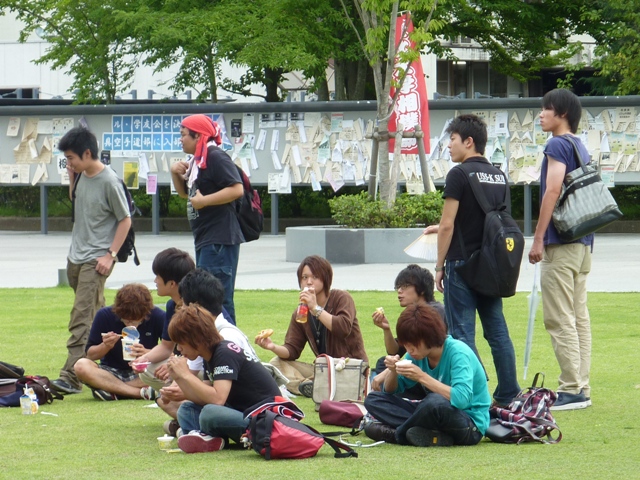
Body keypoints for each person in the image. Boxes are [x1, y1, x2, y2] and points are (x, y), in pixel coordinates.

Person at [433, 113, 520, 407]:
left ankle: (474, 395)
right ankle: (508, 393)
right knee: (497, 331)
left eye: (452, 139)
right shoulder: (498, 175)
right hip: (490, 265)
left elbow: (448, 225)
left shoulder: (458, 174)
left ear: (468, 141)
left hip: (461, 265)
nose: (448, 146)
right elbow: (487, 220)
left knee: (462, 335)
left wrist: (438, 266)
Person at [52, 127, 132, 395]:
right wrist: (72, 178)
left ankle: (71, 376)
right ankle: (110, 361)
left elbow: (125, 219)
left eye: (71, 158)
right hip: (76, 256)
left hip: (96, 260)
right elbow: (77, 202)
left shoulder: (109, 181)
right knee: (98, 315)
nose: (68, 163)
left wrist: (110, 255)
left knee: (81, 316)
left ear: (87, 153)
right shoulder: (81, 175)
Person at [528, 88, 594, 411]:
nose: (541, 114)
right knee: (579, 317)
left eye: (547, 109)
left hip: (561, 243)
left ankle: (571, 388)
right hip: (583, 243)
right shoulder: (580, 145)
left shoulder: (556, 145)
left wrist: (539, 237)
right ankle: (581, 385)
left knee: (559, 317)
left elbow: (552, 190)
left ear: (563, 113)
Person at [363, 304, 490, 447]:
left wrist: (421, 377)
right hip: (434, 416)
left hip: (469, 424)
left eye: (413, 344)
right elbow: (390, 391)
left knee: (435, 402)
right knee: (373, 399)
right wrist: (393, 371)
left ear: (429, 337)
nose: (409, 350)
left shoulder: (458, 353)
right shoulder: (417, 355)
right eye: (406, 345)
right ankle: (429, 434)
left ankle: (397, 435)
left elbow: (462, 400)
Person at [167, 304, 281, 454]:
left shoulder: (224, 352)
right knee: (187, 409)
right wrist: (179, 377)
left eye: (181, 343)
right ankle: (208, 439)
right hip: (242, 413)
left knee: (210, 412)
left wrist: (186, 374)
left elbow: (217, 399)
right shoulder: (209, 355)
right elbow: (203, 396)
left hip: (265, 420)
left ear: (197, 339)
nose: (178, 348)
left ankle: (203, 435)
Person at [254, 255, 368, 397]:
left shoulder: (341, 298)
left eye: (314, 277)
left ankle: (314, 385)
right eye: (304, 277)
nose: (308, 282)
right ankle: (309, 386)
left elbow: (343, 328)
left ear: (325, 278)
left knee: (325, 374)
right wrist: (272, 347)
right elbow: (292, 350)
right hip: (324, 368)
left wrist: (315, 308)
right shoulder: (301, 312)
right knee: (276, 363)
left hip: (350, 367)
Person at [170, 114, 244, 324]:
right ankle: (213, 340)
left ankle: (227, 341)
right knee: (206, 298)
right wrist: (174, 173)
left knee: (216, 299)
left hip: (218, 241)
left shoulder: (214, 156)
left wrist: (204, 202)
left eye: (184, 135)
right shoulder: (197, 160)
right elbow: (185, 194)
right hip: (207, 239)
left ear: (198, 136)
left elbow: (236, 189)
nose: (180, 139)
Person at [73, 284, 164, 401]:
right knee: (81, 366)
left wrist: (146, 353)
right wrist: (105, 346)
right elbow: (90, 355)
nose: (130, 324)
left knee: (169, 367)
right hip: (110, 372)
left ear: (146, 313)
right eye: (126, 320)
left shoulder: (158, 316)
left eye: (134, 320)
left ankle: (113, 390)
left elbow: (172, 352)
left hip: (143, 370)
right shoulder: (104, 315)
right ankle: (139, 393)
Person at [371, 265, 445, 398]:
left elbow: (420, 352)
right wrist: (386, 329)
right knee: (383, 362)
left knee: (385, 375)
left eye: (405, 286)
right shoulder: (412, 313)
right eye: (398, 287)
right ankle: (389, 397)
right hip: (418, 365)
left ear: (422, 289)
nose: (399, 291)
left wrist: (384, 374)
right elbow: (396, 352)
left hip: (436, 373)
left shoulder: (434, 313)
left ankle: (391, 399)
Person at [134, 248, 195, 394]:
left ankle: (188, 398)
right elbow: (166, 347)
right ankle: (178, 396)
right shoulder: (171, 305)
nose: (155, 281)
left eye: (158, 276)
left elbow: (206, 350)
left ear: (172, 283)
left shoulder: (196, 305)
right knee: (147, 370)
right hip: (185, 361)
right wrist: (144, 358)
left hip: (205, 365)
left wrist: (178, 365)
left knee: (172, 372)